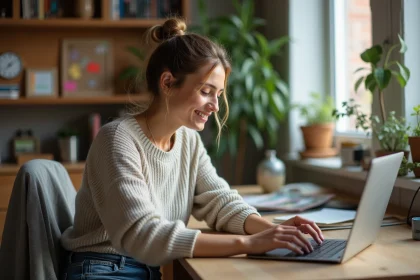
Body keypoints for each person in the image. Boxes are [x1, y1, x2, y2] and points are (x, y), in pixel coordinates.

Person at [61, 17, 324, 280]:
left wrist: (271, 231)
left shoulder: (187, 140)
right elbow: (143, 236)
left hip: (145, 269)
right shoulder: (117, 139)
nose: (215, 106)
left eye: (218, 94)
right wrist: (249, 244)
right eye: (206, 91)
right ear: (167, 83)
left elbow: (219, 201)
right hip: (102, 268)